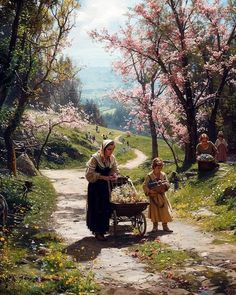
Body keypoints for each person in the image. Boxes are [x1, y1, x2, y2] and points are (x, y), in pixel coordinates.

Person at [85, 139, 119, 241]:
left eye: (112, 149)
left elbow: (115, 169)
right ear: (104, 149)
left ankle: (103, 230)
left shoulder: (111, 158)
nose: (111, 152)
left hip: (105, 187)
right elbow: (89, 175)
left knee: (105, 207)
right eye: (109, 149)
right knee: (96, 207)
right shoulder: (95, 158)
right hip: (95, 187)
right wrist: (104, 177)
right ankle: (97, 232)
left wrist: (114, 175)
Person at [142, 157, 173, 233]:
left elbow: (167, 183)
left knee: (165, 210)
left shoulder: (163, 174)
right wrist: (150, 191)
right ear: (154, 167)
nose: (160, 169)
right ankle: (155, 227)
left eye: (161, 167)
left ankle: (165, 226)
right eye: (158, 167)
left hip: (162, 196)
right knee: (154, 212)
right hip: (154, 197)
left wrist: (165, 187)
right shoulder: (149, 176)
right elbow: (144, 186)